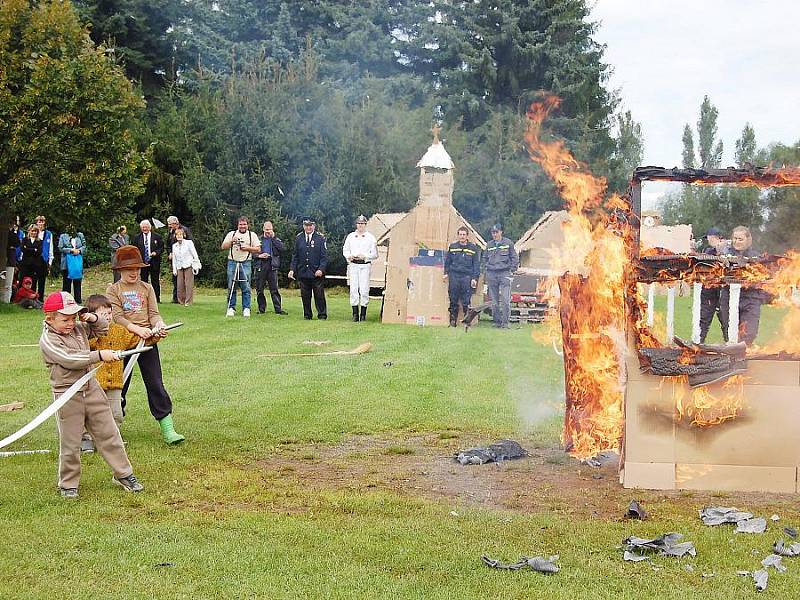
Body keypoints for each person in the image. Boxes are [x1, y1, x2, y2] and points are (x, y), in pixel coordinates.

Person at [39, 290, 143, 498]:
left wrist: (93, 317)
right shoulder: (48, 340)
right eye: (64, 319)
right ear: (49, 319)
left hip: (91, 388)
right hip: (68, 393)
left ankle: (123, 474)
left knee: (109, 432)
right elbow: (70, 359)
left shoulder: (78, 329)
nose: (70, 323)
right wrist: (100, 355)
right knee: (71, 441)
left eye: (73, 317)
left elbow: (103, 329)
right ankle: (68, 484)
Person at [106, 245, 186, 444]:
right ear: (120, 270)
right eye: (129, 269)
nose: (134, 273)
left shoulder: (147, 288)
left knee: (155, 383)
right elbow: (116, 317)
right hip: (123, 344)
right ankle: (111, 429)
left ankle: (168, 428)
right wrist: (136, 329)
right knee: (119, 385)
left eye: (137, 269)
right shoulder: (113, 290)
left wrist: (159, 325)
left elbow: (153, 313)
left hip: (148, 342)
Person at [79, 294, 139, 453]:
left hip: (115, 383)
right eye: (102, 315)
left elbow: (136, 340)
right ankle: (86, 439)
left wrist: (153, 334)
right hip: (95, 383)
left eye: (109, 313)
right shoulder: (87, 333)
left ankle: (111, 440)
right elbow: (86, 347)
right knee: (91, 413)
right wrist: (97, 331)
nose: (107, 317)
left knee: (116, 413)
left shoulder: (119, 331)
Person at [718, 226, 767, 346]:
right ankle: (733, 357)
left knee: (749, 332)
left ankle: (743, 352)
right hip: (728, 297)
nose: (736, 241)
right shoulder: (724, 256)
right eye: (735, 238)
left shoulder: (756, 257)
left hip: (751, 298)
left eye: (740, 239)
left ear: (748, 240)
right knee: (729, 331)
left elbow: (763, 277)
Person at [220, 216, 260, 317]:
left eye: (244, 224)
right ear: (238, 225)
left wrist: (247, 248)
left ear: (247, 225)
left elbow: (258, 249)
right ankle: (231, 308)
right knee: (231, 286)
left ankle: (246, 308)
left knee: (246, 286)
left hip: (246, 262)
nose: (242, 226)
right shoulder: (232, 234)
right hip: (232, 262)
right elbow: (223, 246)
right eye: (240, 224)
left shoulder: (252, 235)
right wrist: (232, 242)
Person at [289, 217, 328, 320]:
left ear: (314, 226)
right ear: (303, 226)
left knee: (319, 295)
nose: (308, 227)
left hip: (316, 272)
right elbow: (295, 256)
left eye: (310, 225)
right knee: (305, 296)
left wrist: (321, 269)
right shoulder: (299, 238)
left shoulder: (320, 238)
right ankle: (307, 315)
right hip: (303, 272)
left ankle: (322, 314)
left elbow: (324, 257)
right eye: (306, 225)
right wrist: (292, 269)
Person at [343, 215, 378, 322]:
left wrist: (365, 256)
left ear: (365, 225)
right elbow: (345, 250)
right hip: (353, 265)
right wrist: (349, 256)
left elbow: (375, 254)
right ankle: (355, 314)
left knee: (364, 289)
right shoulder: (351, 236)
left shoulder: (371, 238)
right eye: (358, 224)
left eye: (362, 224)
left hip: (364, 265)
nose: (360, 226)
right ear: (356, 225)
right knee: (353, 289)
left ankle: (363, 314)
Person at [444, 226, 481, 327]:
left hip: (467, 276)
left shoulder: (473, 248)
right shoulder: (453, 246)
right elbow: (448, 261)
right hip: (454, 275)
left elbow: (476, 265)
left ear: (467, 236)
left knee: (466, 300)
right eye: (460, 234)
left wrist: (474, 278)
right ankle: (452, 320)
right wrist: (446, 273)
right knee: (453, 299)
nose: (462, 236)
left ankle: (466, 321)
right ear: (458, 235)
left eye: (464, 235)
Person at [697, 226, 729, 343]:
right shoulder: (708, 251)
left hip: (723, 288)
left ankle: (730, 342)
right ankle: (698, 341)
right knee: (704, 316)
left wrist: (723, 249)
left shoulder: (729, 248)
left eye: (708, 237)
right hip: (709, 288)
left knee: (725, 316)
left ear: (712, 237)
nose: (708, 240)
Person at [484, 223, 519, 329]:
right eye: (493, 232)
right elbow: (484, 258)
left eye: (496, 232)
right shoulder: (489, 245)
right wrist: (486, 269)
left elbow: (515, 258)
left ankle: (505, 323)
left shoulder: (508, 243)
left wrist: (511, 270)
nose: (494, 234)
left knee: (505, 299)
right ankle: (497, 322)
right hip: (492, 274)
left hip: (504, 273)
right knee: (494, 301)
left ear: (501, 232)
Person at [254, 220, 287, 315]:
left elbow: (282, 249)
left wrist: (274, 237)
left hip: (272, 265)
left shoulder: (275, 239)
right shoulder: (258, 239)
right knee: (259, 289)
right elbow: (251, 252)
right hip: (260, 264)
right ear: (263, 229)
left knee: (274, 289)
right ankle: (261, 309)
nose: (268, 231)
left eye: (270, 229)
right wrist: (259, 256)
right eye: (267, 229)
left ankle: (278, 309)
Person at [133, 219, 165, 302]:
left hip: (154, 262)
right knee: (143, 281)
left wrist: (156, 253)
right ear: (141, 228)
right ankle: (144, 299)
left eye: (146, 227)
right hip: (142, 263)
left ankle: (156, 298)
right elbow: (134, 249)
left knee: (155, 281)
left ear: (150, 227)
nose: (145, 229)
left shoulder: (157, 236)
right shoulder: (137, 238)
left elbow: (161, 248)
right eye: (143, 227)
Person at [171, 228, 201, 305]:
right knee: (180, 284)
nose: (179, 236)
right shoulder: (174, 246)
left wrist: (197, 264)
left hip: (189, 265)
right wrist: (174, 269)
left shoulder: (189, 243)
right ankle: (181, 301)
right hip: (179, 266)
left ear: (183, 235)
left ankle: (188, 301)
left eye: (180, 234)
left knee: (188, 284)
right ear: (175, 236)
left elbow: (194, 254)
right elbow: (174, 258)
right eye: (177, 235)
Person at [166, 216, 193, 304]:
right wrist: (170, 252)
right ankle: (176, 298)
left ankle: (187, 299)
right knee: (176, 279)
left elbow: (190, 243)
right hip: (175, 259)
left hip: (185, 259)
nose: (169, 226)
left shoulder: (185, 230)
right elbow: (168, 244)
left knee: (186, 281)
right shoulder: (171, 232)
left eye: (170, 224)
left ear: (175, 223)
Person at [58, 226, 87, 303]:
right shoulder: (63, 236)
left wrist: (79, 250)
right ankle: (66, 300)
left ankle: (78, 300)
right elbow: (60, 248)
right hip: (66, 262)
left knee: (77, 281)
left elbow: (84, 246)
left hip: (77, 261)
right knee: (66, 282)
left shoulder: (80, 235)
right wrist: (71, 250)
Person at [33, 215, 54, 299]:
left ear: (44, 223)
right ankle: (33, 298)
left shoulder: (48, 234)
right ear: (36, 223)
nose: (40, 223)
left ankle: (40, 299)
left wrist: (50, 261)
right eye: (39, 221)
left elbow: (50, 248)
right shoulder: (33, 232)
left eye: (42, 221)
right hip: (34, 259)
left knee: (42, 281)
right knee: (33, 280)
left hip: (44, 260)